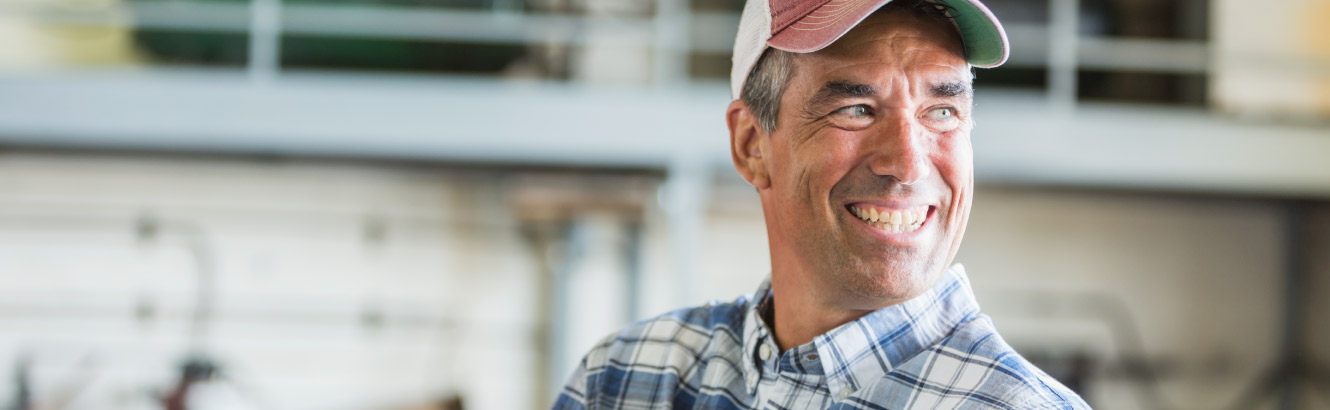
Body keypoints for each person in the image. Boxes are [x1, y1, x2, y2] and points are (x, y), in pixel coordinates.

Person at [553, 0, 1091, 408]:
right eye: (857, 108)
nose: (908, 164)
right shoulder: (624, 381)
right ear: (751, 145)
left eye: (942, 111)